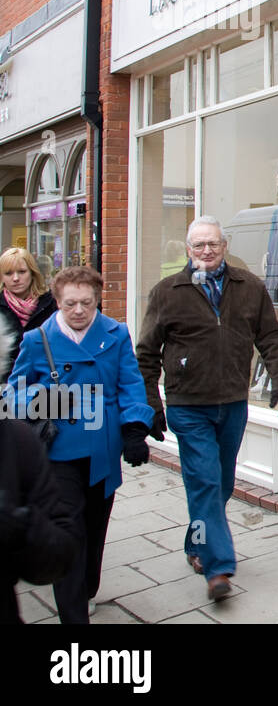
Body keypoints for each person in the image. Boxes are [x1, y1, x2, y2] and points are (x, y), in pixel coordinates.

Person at [135, 216, 278, 602]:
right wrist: (151, 405)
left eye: (213, 244)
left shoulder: (249, 287)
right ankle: (218, 567)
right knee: (206, 483)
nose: (207, 251)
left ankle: (197, 542)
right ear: (188, 250)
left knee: (218, 485)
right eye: (198, 246)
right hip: (189, 406)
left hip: (233, 404)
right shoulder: (167, 291)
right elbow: (145, 354)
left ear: (225, 246)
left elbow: (270, 337)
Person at [4, 266, 155, 622]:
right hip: (58, 453)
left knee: (94, 531)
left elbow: (131, 384)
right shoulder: (37, 340)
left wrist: (135, 427)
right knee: (69, 531)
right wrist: (49, 396)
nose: (78, 311)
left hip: (102, 452)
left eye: (86, 303)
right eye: (70, 303)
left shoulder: (116, 334)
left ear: (97, 300)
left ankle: (87, 589)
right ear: (56, 302)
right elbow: (12, 395)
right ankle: (74, 617)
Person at [0, 417, 78, 624]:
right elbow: (20, 394)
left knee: (92, 538)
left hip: (99, 454)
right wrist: (48, 401)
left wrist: (23, 526)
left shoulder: (14, 439)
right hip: (61, 452)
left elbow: (59, 557)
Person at [0, 246, 58, 383]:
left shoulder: (52, 303)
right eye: (8, 273)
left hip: (45, 382)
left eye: (22, 272)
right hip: (6, 383)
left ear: (32, 272)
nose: (15, 278)